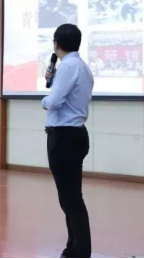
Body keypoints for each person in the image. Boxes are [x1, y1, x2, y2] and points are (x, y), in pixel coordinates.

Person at [42, 24, 94, 259]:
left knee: (70, 198)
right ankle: (74, 248)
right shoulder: (82, 67)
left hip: (64, 137)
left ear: (57, 44)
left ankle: (79, 251)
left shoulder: (68, 67)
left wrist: (44, 100)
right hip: (76, 135)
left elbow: (54, 102)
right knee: (71, 196)